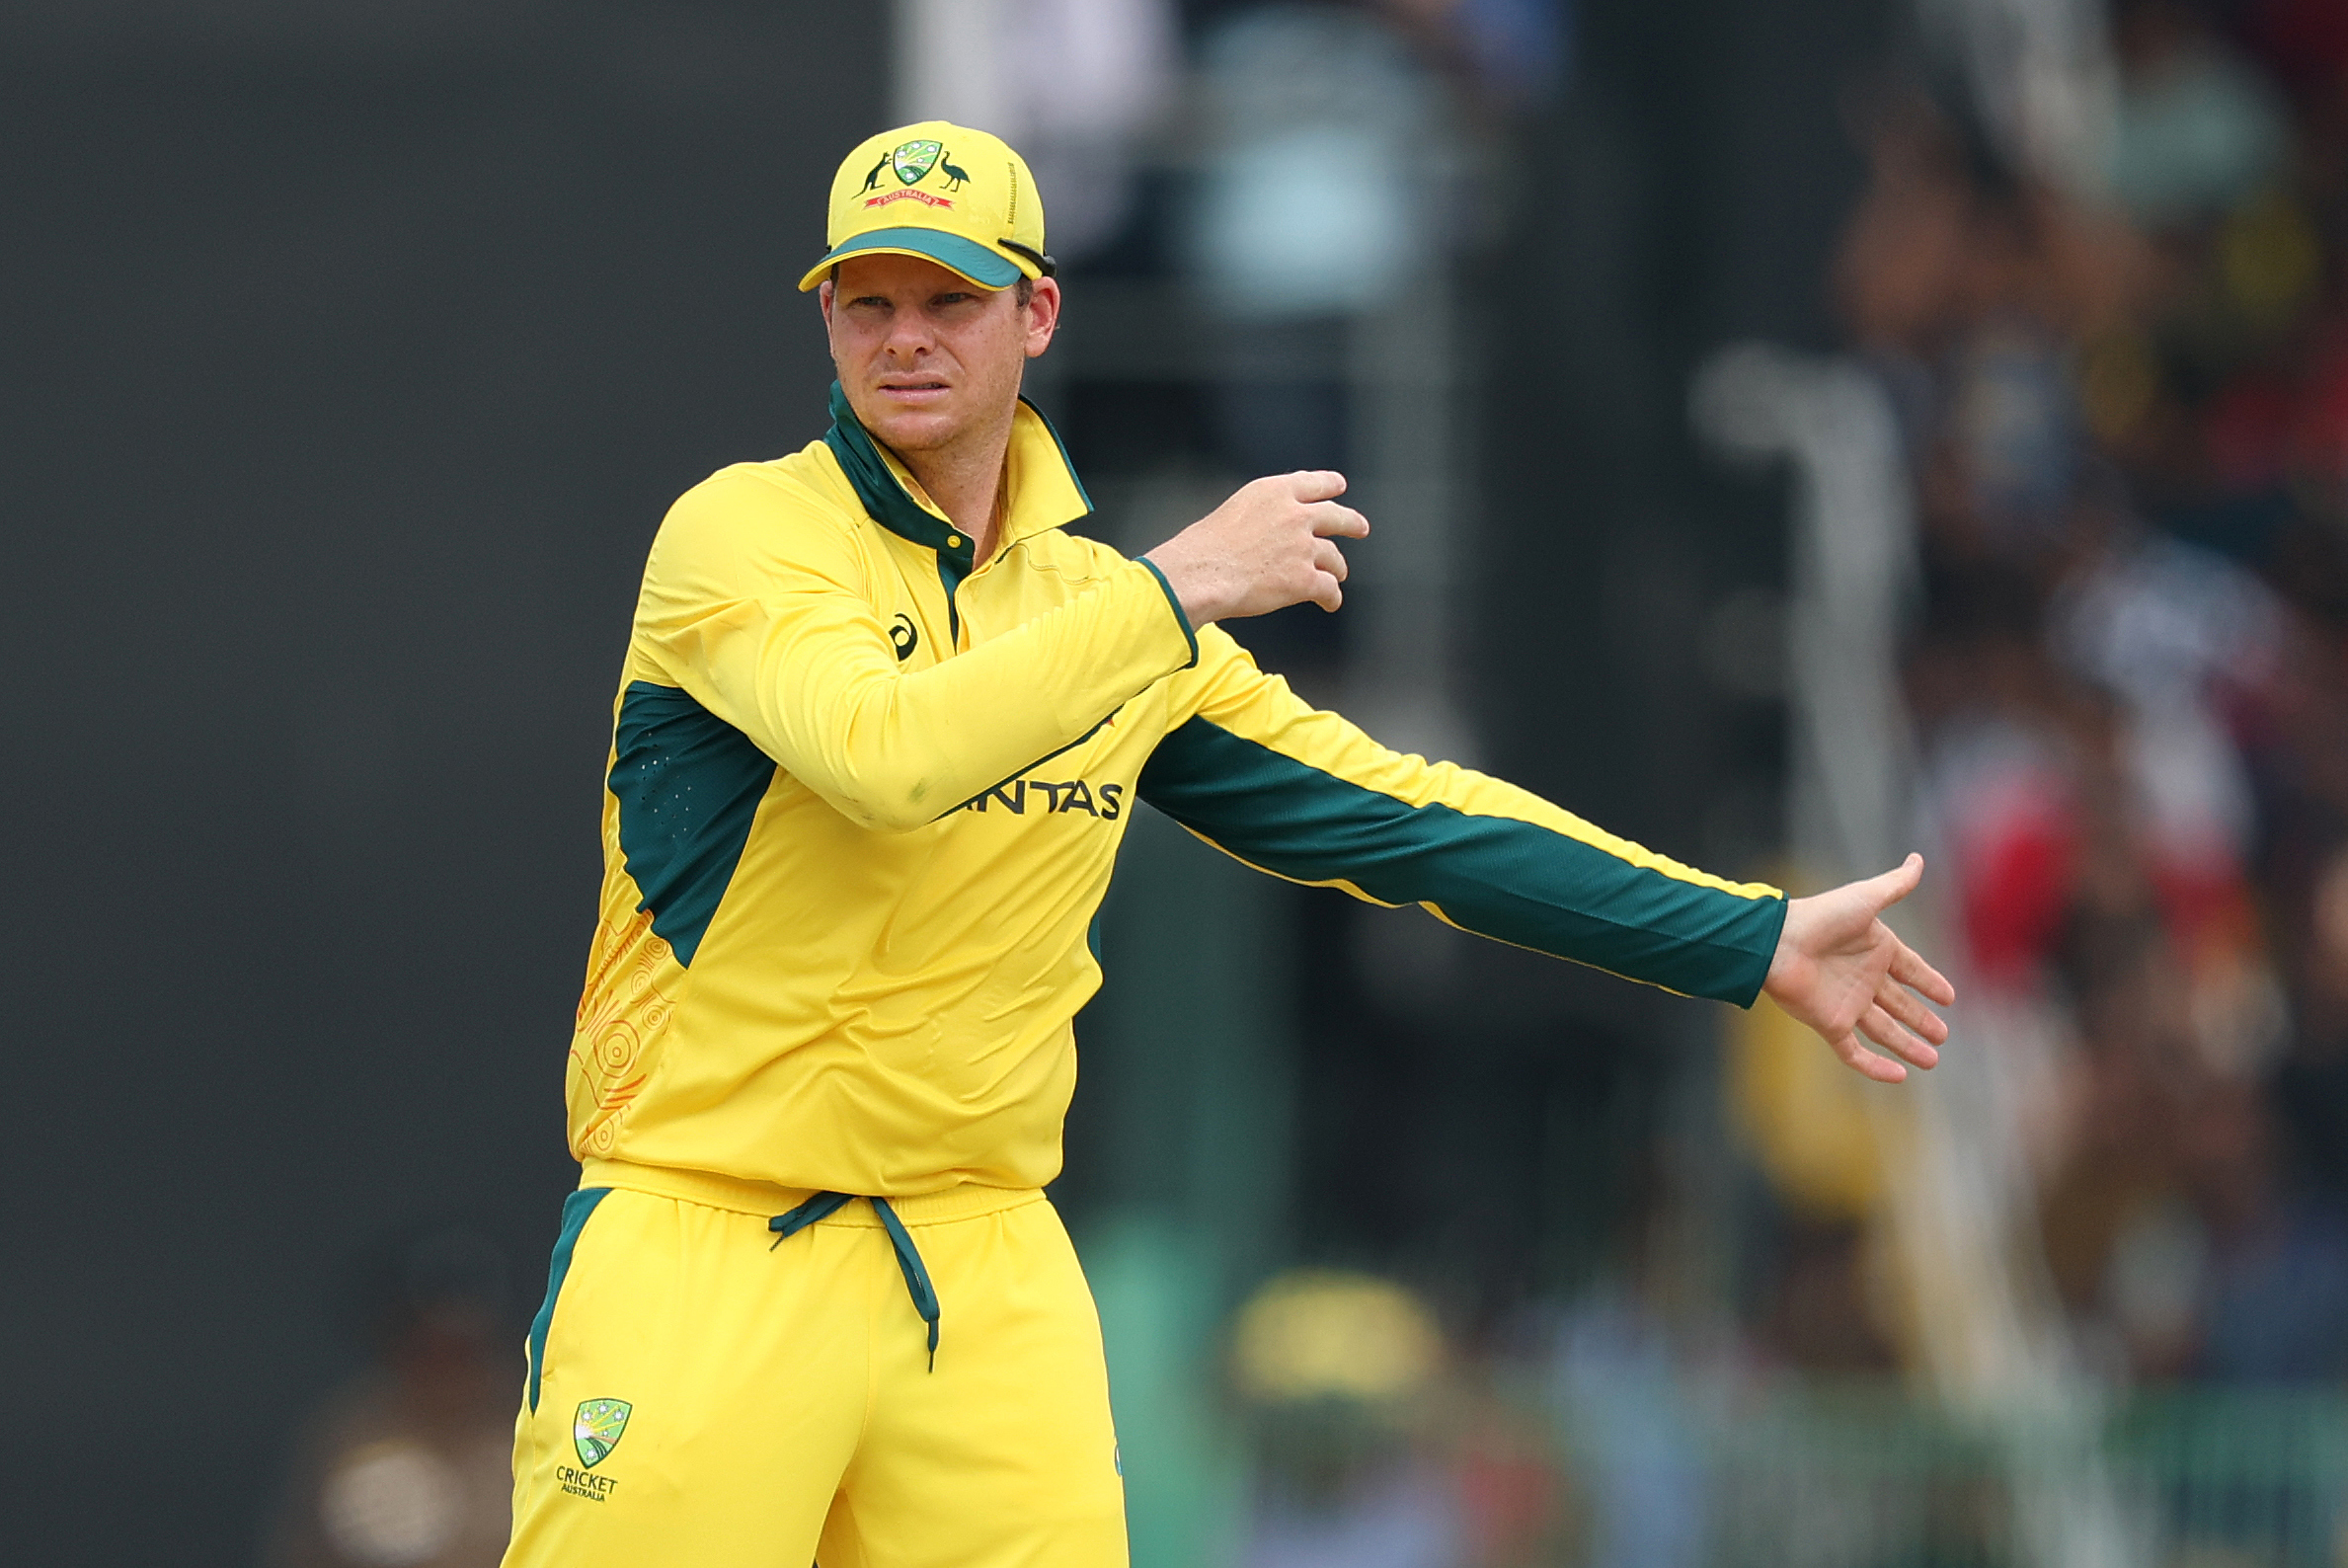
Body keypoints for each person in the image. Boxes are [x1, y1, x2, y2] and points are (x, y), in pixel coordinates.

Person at [501, 120, 1954, 1568]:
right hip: (707, 1241)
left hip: (982, 1262)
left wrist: (1744, 934)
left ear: (1037, 313)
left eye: (949, 298)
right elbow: (887, 757)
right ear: (826, 316)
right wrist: (1178, 583)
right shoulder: (745, 536)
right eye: (867, 301)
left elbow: (1410, 822)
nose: (906, 338)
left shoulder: (1106, 619)